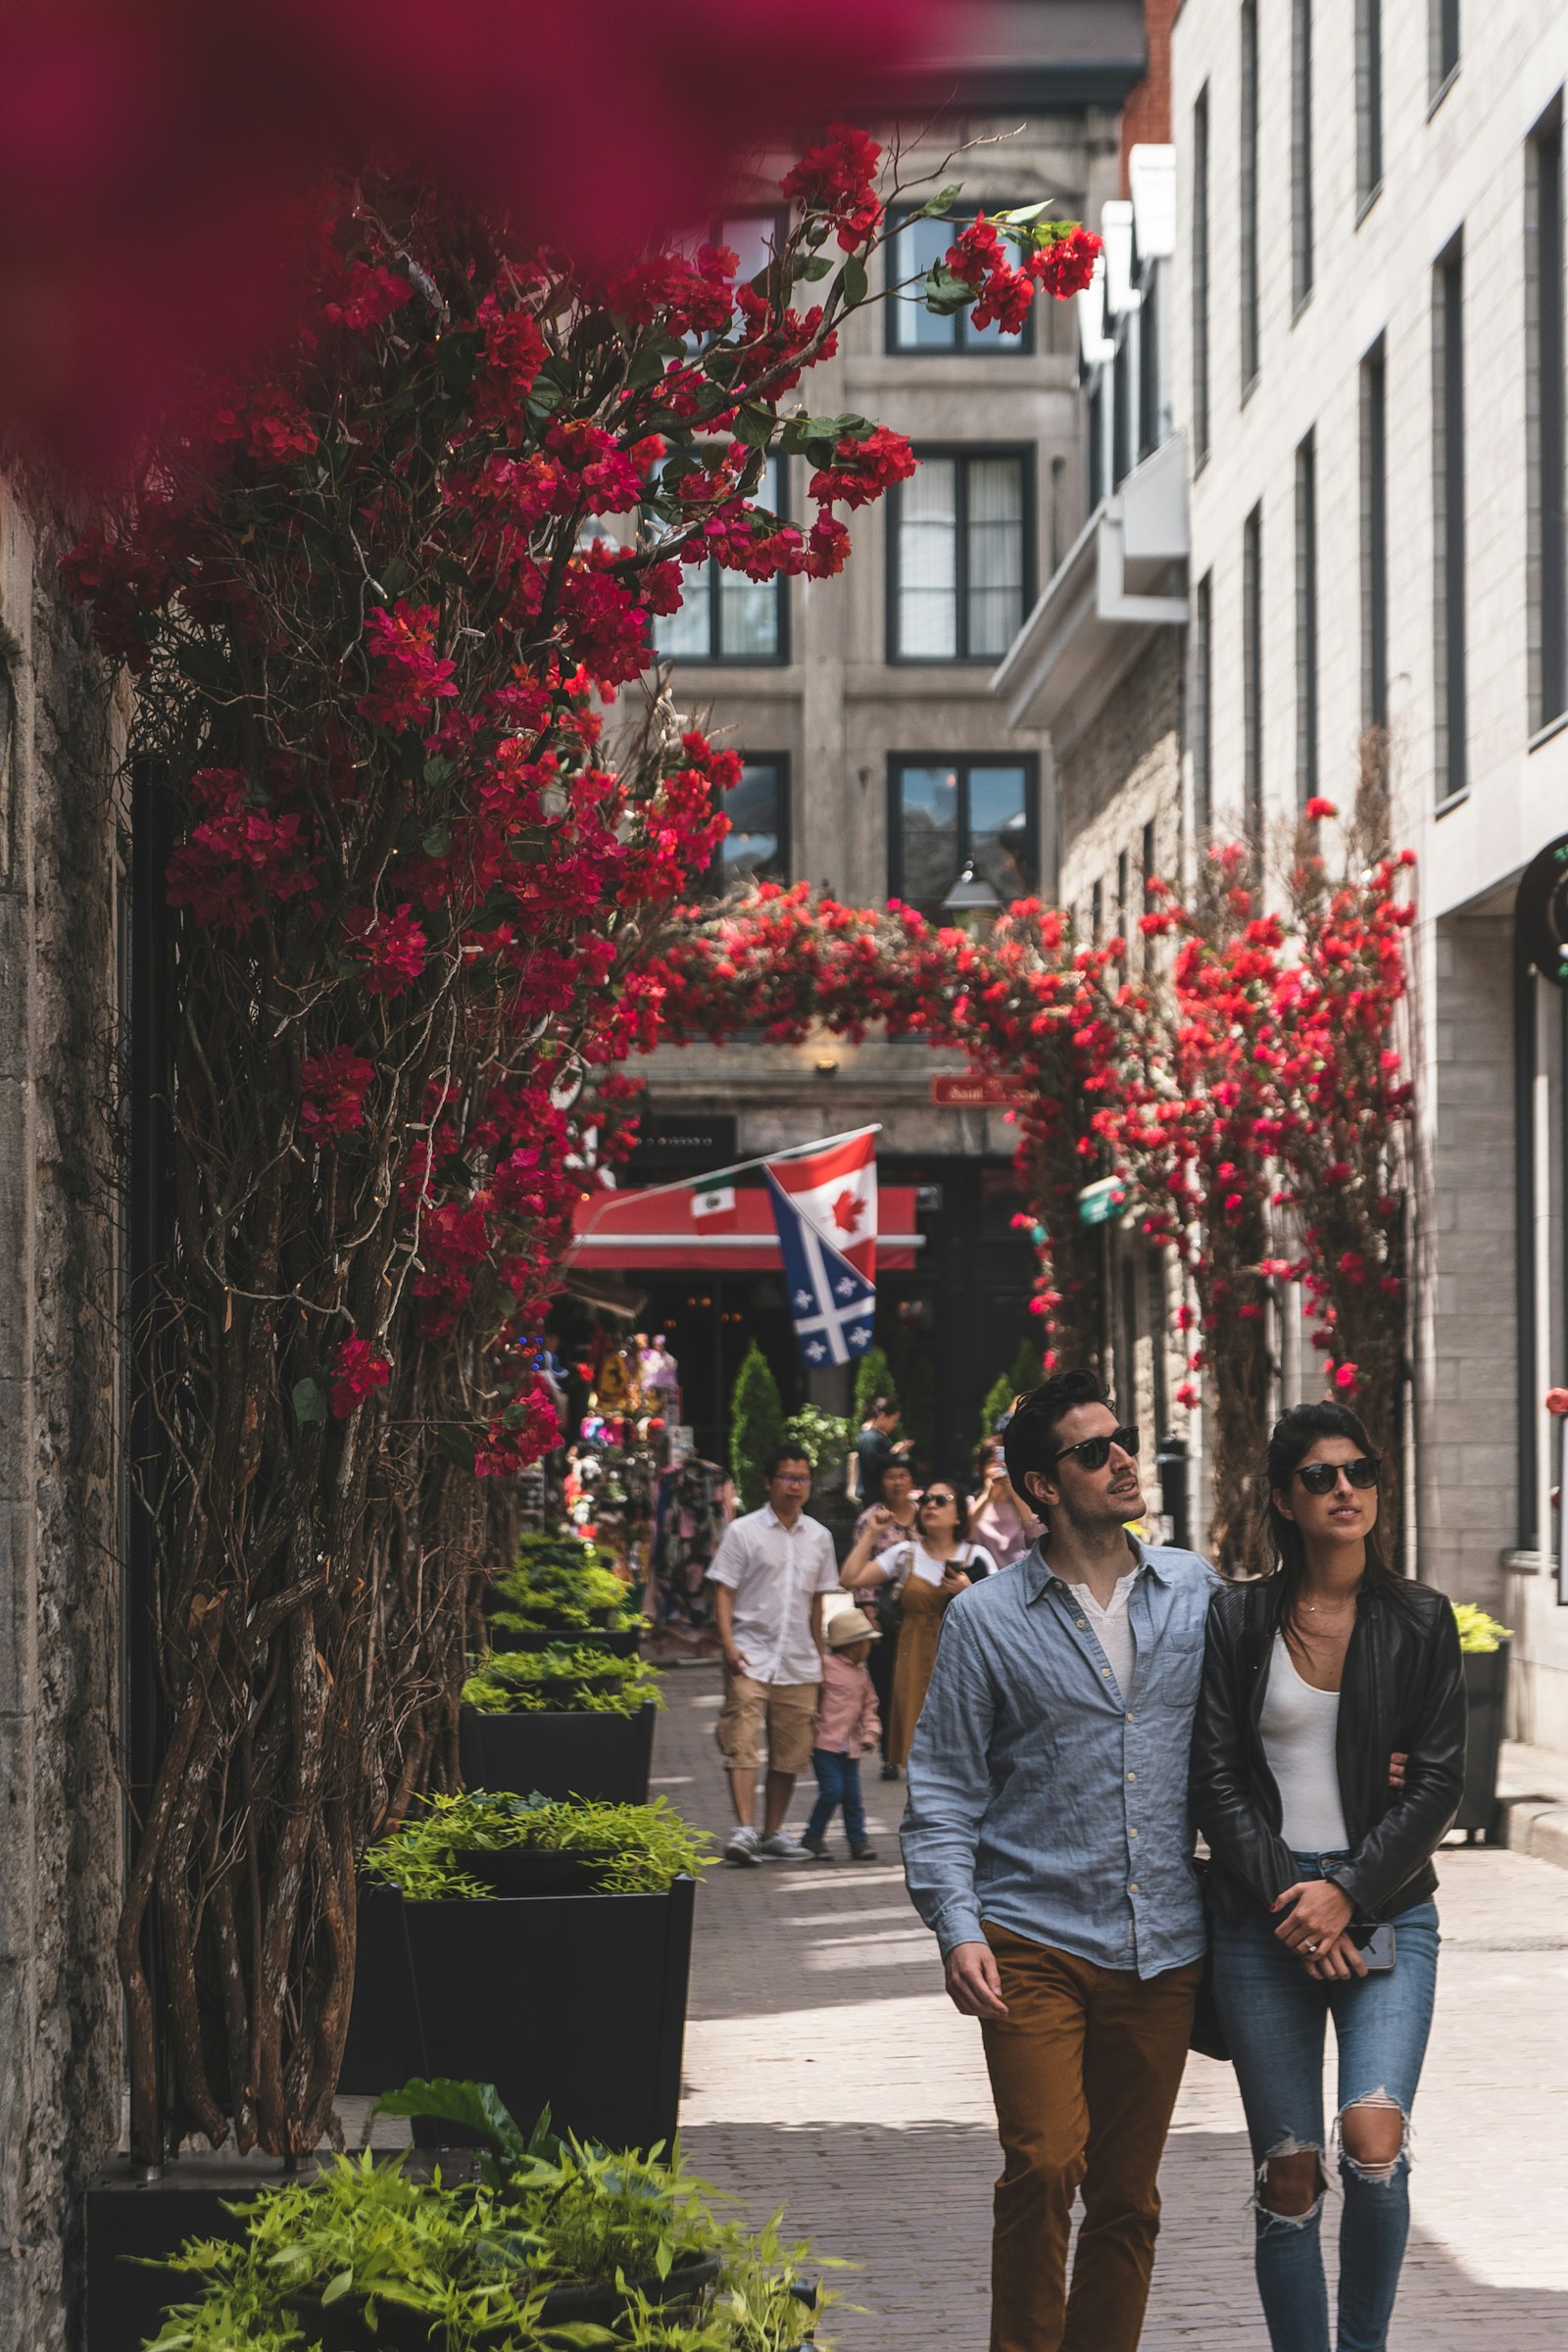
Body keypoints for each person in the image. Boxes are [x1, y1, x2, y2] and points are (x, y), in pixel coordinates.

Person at [901, 1369, 1221, 2352]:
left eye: (1121, 1440)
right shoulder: (988, 1621)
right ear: (1040, 1486)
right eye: (1093, 1451)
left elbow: (1264, 1726)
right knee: (1043, 2166)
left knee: (1127, 2197)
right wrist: (956, 1929)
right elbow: (943, 1787)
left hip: (1161, 1944)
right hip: (1031, 1936)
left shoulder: (1195, 1591)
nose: (1122, 1459)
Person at [1190, 1400, 1466, 2352]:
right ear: (1283, 1497)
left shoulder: (1422, 1619)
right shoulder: (1236, 1618)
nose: (1344, 1488)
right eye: (1320, 1475)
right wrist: (1295, 1903)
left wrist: (1345, 1892)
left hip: (1387, 1908)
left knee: (1373, 2142)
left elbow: (1436, 1783)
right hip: (1260, 1918)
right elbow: (1213, 1776)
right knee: (1290, 2172)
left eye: (1359, 1470)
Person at [706, 1444, 839, 1866]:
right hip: (749, 1655)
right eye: (788, 1477)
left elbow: (819, 1603)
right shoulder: (743, 1531)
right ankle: (744, 1829)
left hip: (800, 1660)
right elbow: (723, 1591)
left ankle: (772, 1832)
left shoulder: (820, 1536)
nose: (796, 1486)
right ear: (769, 1481)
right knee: (741, 1741)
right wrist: (728, 1644)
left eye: (803, 1479)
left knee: (790, 1751)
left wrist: (822, 1658)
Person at [843, 1482, 995, 1774]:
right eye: (925, 1499)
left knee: (959, 1749)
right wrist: (872, 1532)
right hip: (912, 1658)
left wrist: (969, 1590)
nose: (930, 1505)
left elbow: (1000, 1614)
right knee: (917, 1751)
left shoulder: (977, 1557)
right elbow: (849, 1578)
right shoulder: (905, 1553)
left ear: (959, 1516)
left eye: (941, 1499)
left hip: (960, 1661)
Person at [852, 1456, 919, 1776]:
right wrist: (867, 1610)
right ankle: (891, 1754)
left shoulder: (927, 1514)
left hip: (923, 1614)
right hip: (884, 1615)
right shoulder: (871, 1519)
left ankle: (917, 1749)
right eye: (890, 1476)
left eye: (903, 1475)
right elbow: (859, 1565)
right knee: (886, 1685)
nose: (897, 1482)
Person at [802, 1604, 883, 1863]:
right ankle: (812, 1837)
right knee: (832, 1791)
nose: (870, 1648)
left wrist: (871, 1732)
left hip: (851, 1747)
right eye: (867, 1643)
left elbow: (870, 1704)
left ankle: (858, 1840)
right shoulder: (825, 1666)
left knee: (852, 1797)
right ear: (854, 1646)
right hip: (825, 1744)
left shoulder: (862, 1674)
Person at [966, 1437, 1039, 1569]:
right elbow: (964, 1532)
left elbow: (1036, 1535)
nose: (998, 1467)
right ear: (981, 1469)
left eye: (1005, 1462)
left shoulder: (1027, 1502)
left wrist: (1015, 1495)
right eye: (992, 1462)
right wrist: (987, 1495)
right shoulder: (972, 1502)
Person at [851, 1395, 902, 1504]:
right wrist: (895, 1454)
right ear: (882, 1416)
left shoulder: (877, 1436)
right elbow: (874, 1465)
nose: (894, 1424)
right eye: (894, 1420)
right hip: (872, 1496)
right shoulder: (870, 1438)